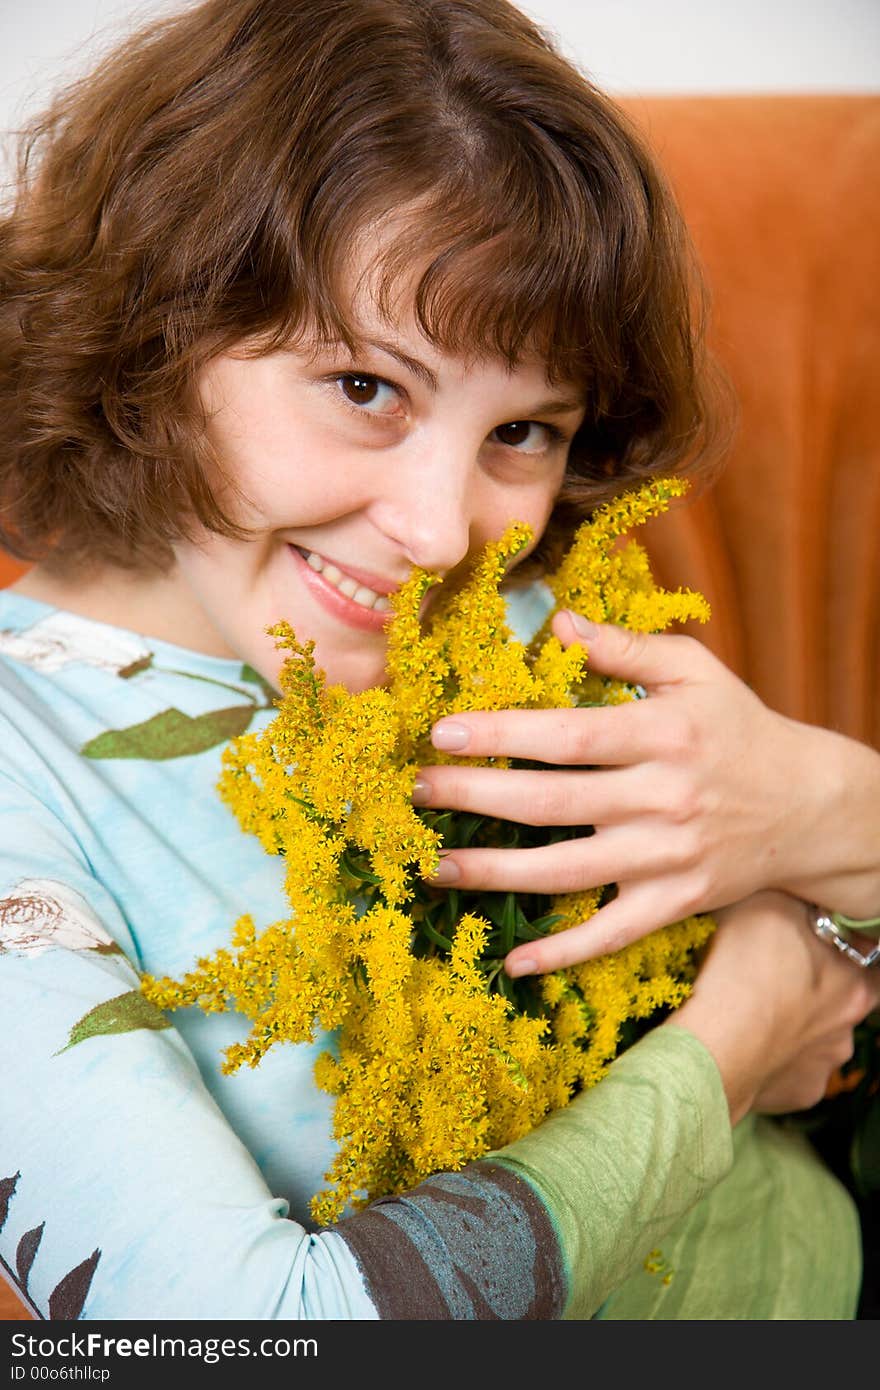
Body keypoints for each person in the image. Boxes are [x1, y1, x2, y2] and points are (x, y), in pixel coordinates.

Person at [0, 0, 878, 1322]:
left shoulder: (530, 631)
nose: (439, 530)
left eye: (521, 428)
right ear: (157, 329)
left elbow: (838, 1009)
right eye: (365, 387)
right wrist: (726, 1051)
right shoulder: (26, 779)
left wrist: (831, 809)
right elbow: (246, 1338)